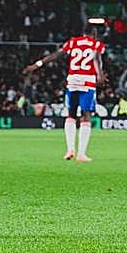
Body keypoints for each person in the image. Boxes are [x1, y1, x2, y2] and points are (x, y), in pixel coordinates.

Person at [25, 31, 105, 162]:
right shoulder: (96, 44)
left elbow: (56, 55)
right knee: (86, 116)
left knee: (71, 115)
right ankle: (81, 154)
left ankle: (70, 149)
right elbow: (96, 58)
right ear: (94, 34)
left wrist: (37, 64)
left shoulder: (73, 42)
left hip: (73, 81)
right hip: (87, 81)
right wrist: (100, 74)